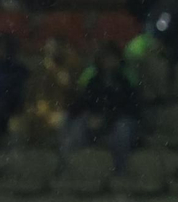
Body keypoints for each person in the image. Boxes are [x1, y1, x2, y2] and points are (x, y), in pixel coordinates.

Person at [60, 42, 141, 173]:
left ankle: (121, 171)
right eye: (105, 59)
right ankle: (68, 166)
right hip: (95, 122)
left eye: (112, 58)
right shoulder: (93, 81)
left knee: (123, 129)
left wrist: (107, 118)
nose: (109, 62)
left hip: (118, 121)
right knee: (76, 125)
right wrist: (74, 114)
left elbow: (130, 108)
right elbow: (84, 102)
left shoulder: (125, 80)